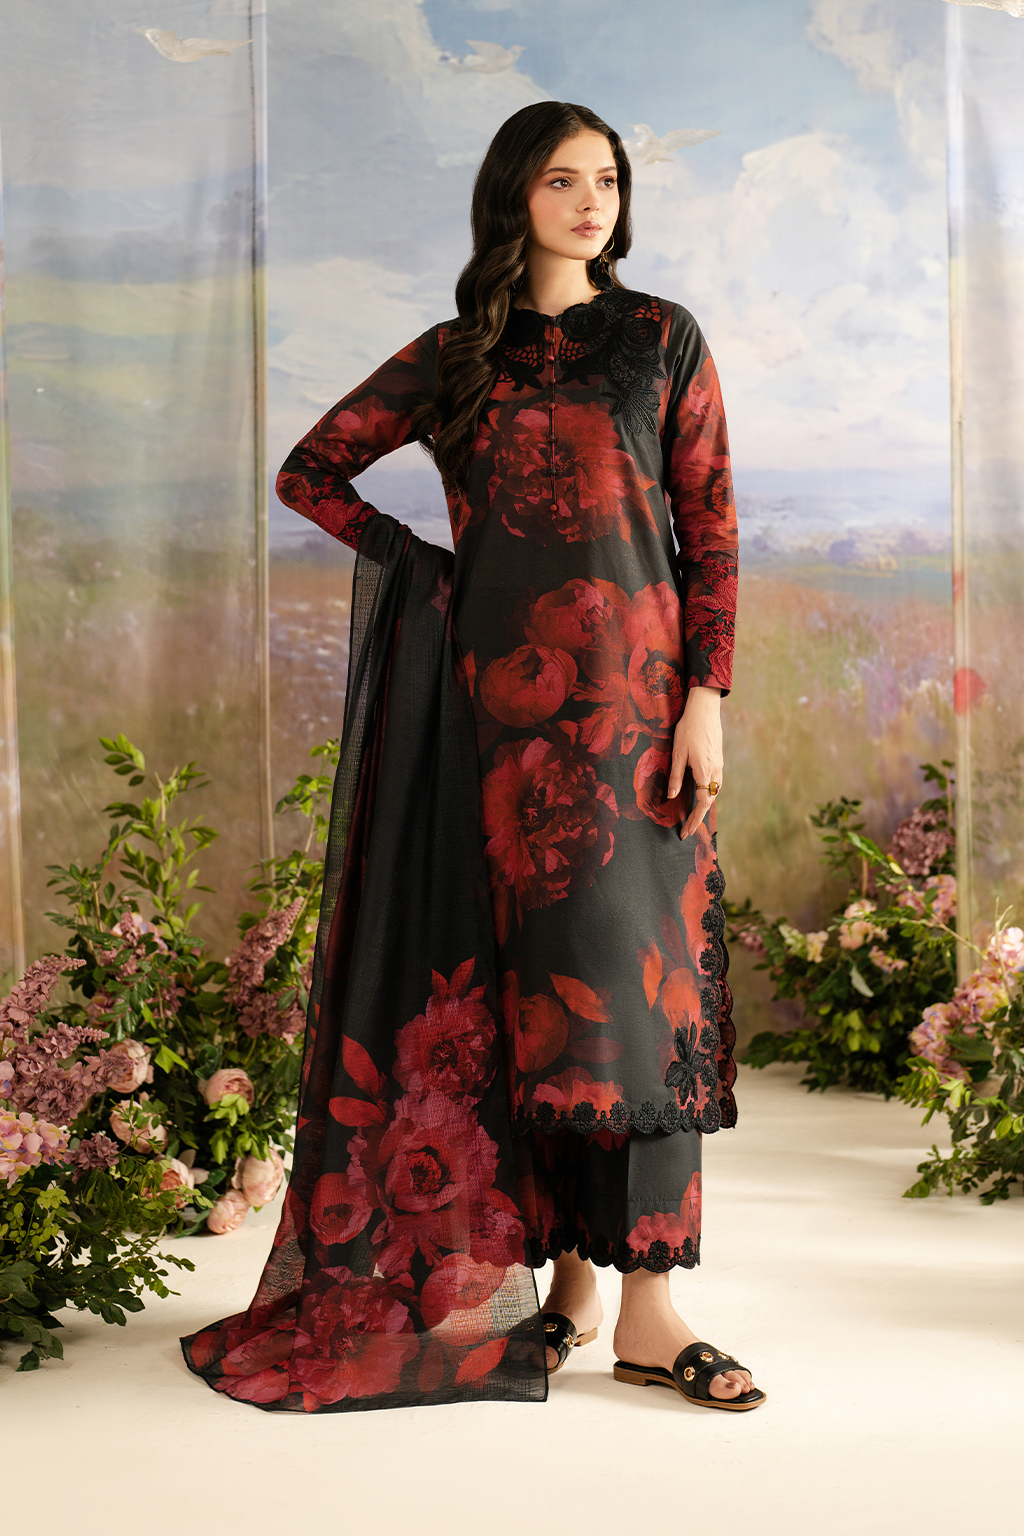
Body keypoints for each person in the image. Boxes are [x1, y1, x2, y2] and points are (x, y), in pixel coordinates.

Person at [180, 100, 763, 1415]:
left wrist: (707, 696)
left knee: (647, 999)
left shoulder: (660, 338)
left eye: (606, 179)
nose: (591, 201)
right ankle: (573, 1293)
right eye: (562, 180)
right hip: (503, 724)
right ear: (515, 197)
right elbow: (313, 470)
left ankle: (653, 1309)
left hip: (642, 723)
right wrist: (431, 576)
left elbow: (711, 523)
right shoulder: (460, 356)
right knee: (541, 1001)